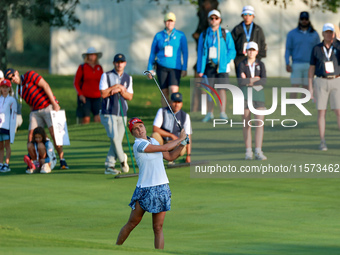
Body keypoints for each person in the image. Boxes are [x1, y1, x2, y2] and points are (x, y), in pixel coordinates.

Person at [116, 117, 188, 249]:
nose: (139, 130)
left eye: (141, 126)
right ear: (132, 133)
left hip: (161, 188)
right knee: (132, 223)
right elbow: (165, 146)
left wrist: (183, 144)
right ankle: (115, 249)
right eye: (135, 129)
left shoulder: (153, 140)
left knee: (158, 227)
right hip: (145, 189)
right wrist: (180, 138)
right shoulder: (138, 145)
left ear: (144, 127)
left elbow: (170, 156)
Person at [4, 68, 69, 169]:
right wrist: (32, 114)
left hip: (47, 106)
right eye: (10, 79)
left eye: (13, 76)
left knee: (54, 133)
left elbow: (45, 86)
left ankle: (62, 159)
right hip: (35, 111)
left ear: (16, 72)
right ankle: (33, 161)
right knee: (31, 136)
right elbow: (29, 102)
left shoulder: (30, 75)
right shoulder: (19, 90)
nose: (13, 79)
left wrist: (54, 103)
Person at [197, 9, 236, 122]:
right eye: (211, 18)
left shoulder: (225, 33)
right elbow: (201, 53)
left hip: (222, 67)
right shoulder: (204, 34)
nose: (214, 20)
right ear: (209, 20)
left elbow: (232, 50)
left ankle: (222, 112)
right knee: (210, 90)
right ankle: (210, 113)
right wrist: (201, 69)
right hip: (209, 66)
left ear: (220, 20)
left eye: (216, 18)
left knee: (221, 90)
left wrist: (225, 61)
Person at [308, 23, 340, 151]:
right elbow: (311, 68)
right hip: (321, 81)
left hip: (336, 80)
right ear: (322, 34)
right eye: (326, 32)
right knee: (322, 112)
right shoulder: (316, 48)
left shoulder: (338, 46)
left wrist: (337, 41)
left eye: (331, 32)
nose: (329, 34)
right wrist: (310, 87)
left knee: (338, 111)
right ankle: (322, 141)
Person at [99, 53, 133, 175]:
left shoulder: (128, 78)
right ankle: (123, 159)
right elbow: (103, 93)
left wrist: (121, 90)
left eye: (122, 62)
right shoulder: (106, 76)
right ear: (114, 63)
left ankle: (110, 165)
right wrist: (116, 87)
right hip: (108, 112)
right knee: (114, 138)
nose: (119, 64)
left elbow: (130, 96)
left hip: (122, 113)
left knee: (117, 140)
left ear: (125, 63)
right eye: (117, 62)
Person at [147, 12, 188, 107]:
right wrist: (150, 68)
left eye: (171, 21)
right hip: (161, 67)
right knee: (164, 92)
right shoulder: (158, 36)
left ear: (174, 22)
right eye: (167, 21)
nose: (169, 23)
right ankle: (165, 114)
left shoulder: (180, 36)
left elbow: (185, 52)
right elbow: (153, 52)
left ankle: (174, 114)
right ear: (164, 22)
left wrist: (184, 67)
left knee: (174, 92)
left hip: (175, 67)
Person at [237, 42, 267, 160]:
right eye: (249, 50)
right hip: (245, 95)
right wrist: (254, 79)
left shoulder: (261, 64)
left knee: (259, 123)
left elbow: (263, 81)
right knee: (247, 123)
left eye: (253, 50)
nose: (251, 52)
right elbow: (240, 81)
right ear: (246, 51)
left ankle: (258, 151)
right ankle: (248, 151)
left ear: (257, 52)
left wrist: (248, 80)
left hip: (259, 95)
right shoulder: (242, 64)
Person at [285, 11, 320, 98]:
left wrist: (318, 63)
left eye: (306, 19)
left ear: (308, 20)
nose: (304, 21)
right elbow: (288, 49)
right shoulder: (292, 34)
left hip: (310, 64)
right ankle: (292, 104)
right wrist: (287, 62)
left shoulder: (314, 34)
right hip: (296, 63)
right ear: (299, 20)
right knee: (295, 85)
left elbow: (318, 50)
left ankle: (303, 105)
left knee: (306, 86)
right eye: (302, 19)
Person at [152, 92, 192, 164]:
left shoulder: (185, 116)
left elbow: (188, 136)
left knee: (183, 146)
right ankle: (156, 159)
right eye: (174, 102)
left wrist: (188, 155)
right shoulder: (162, 111)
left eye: (179, 102)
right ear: (170, 102)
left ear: (181, 104)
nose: (176, 104)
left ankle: (171, 159)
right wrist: (171, 135)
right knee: (155, 135)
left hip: (175, 143)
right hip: (163, 141)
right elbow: (155, 129)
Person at [231, 5, 266, 72]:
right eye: (245, 14)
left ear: (253, 16)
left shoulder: (258, 29)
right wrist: (235, 57)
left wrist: (258, 56)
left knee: (254, 78)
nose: (247, 17)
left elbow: (262, 43)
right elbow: (232, 43)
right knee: (242, 79)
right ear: (242, 16)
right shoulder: (237, 29)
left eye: (250, 14)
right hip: (240, 57)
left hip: (254, 57)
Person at [74, 47, 103, 124]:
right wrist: (80, 95)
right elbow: (76, 83)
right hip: (85, 97)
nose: (92, 57)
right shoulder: (82, 67)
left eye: (94, 55)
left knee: (98, 118)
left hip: (97, 96)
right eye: (91, 55)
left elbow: (102, 82)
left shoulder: (99, 67)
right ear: (87, 56)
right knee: (86, 119)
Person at [0, 79, 17, 173]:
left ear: (9, 88)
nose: (5, 89)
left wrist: (12, 127)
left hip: (7, 126)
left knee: (7, 146)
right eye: (3, 87)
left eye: (6, 87)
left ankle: (6, 163)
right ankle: (0, 163)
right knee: (0, 146)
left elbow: (13, 114)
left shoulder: (12, 100)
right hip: (0, 125)